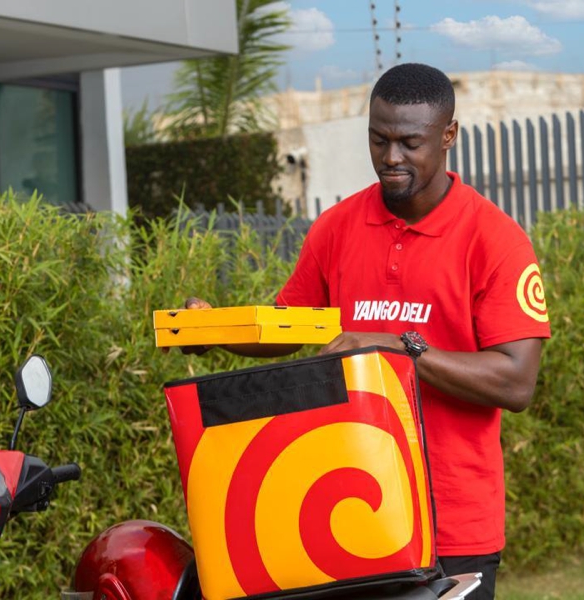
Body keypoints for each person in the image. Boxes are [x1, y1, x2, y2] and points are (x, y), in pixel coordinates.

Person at [182, 62, 551, 600]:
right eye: (378, 140)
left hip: (453, 523)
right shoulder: (338, 227)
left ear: (448, 135)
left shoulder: (495, 240)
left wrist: (394, 346)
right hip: (348, 514)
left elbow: (516, 382)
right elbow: (292, 325)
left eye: (409, 143)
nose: (391, 158)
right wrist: (215, 326)